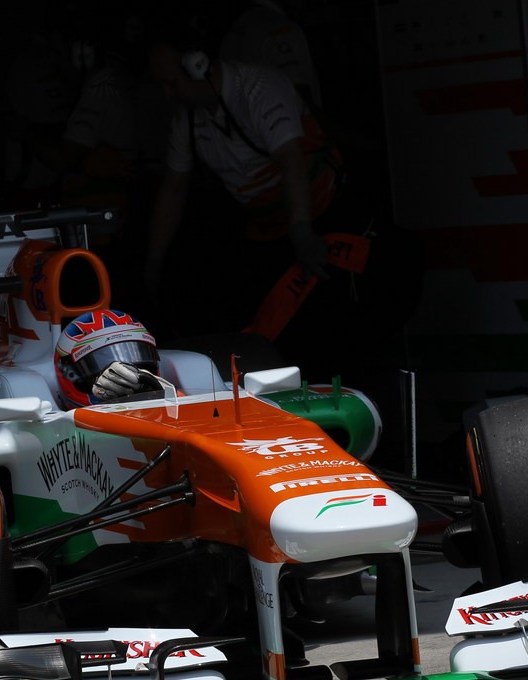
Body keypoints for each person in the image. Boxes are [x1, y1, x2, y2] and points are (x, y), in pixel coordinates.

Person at [142, 29, 344, 338]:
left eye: (172, 83)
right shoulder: (189, 119)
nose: (169, 95)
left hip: (322, 214)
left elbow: (291, 161)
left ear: (198, 65)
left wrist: (302, 232)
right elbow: (173, 189)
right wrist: (154, 263)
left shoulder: (261, 89)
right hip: (267, 228)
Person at [54, 309, 163, 407]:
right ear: (70, 373)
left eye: (140, 365)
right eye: (103, 366)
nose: (128, 374)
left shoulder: (176, 399)